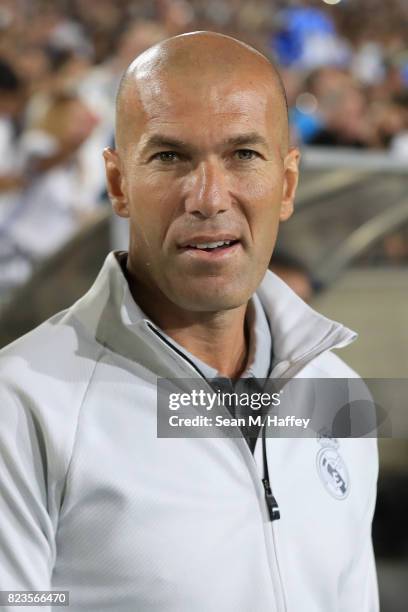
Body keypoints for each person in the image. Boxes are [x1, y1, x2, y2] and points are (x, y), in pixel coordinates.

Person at [0, 31, 379, 611]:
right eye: (169, 157)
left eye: (244, 155)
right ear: (118, 183)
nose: (208, 197)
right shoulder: (23, 403)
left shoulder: (339, 393)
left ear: (288, 183)